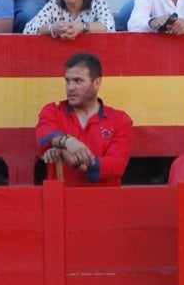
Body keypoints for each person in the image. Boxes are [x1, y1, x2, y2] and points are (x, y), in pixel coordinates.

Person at [35, 52, 134, 186]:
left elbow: (115, 166)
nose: (70, 87)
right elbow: (43, 137)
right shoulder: (52, 111)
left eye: (78, 81)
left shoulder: (120, 120)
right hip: (60, 204)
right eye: (67, 81)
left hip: (102, 204)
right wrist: (67, 141)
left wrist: (66, 155)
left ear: (96, 83)